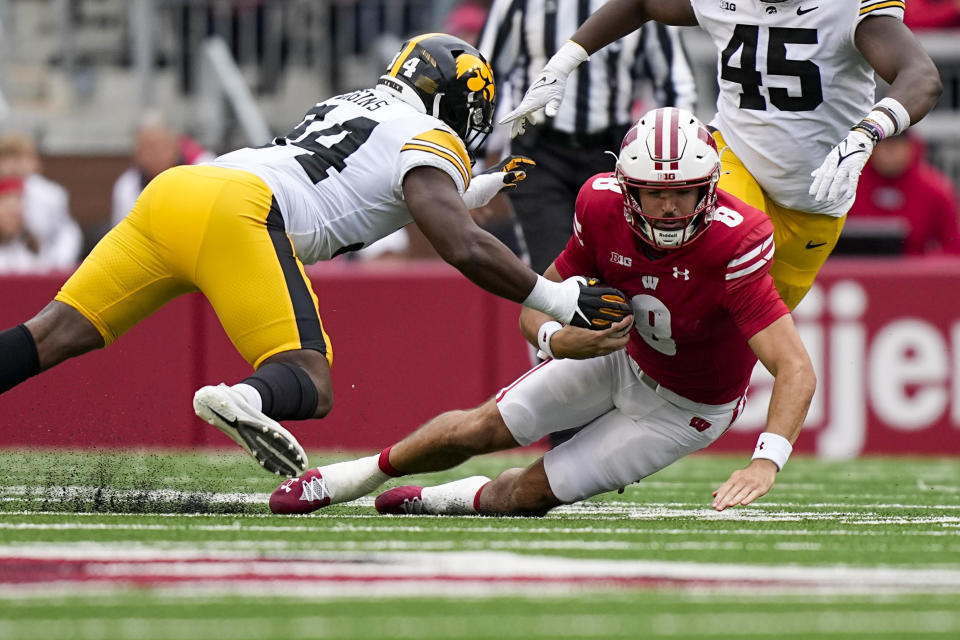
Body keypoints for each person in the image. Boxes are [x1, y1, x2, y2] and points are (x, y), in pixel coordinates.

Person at [0, 34, 630, 478]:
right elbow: (459, 241)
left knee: (51, 333)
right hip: (240, 210)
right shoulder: (431, 134)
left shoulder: (353, 102)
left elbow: (372, 177)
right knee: (308, 378)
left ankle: (246, 395)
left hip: (178, 190)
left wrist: (480, 184)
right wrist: (558, 298)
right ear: (454, 104)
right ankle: (243, 399)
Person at [268, 108, 816, 517]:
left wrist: (766, 459)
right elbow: (537, 301)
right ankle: (347, 479)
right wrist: (558, 340)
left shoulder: (735, 240)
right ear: (627, 191)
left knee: (522, 494)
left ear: (710, 191)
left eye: (686, 194)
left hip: (685, 408)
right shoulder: (600, 206)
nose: (670, 208)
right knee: (480, 427)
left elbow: (794, 368)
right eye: (654, 195)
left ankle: (437, 501)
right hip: (619, 357)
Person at [499, 0, 943, 310]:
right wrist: (563, 63)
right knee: (691, 266)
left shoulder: (850, 7)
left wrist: (869, 131)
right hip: (735, 159)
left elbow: (921, 75)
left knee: (736, 330)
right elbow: (640, 2)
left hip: (815, 203)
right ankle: (587, 319)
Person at [477, 0, 697, 277]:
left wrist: (674, 159)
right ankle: (552, 321)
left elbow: (676, 82)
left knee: (617, 271)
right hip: (539, 153)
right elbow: (482, 74)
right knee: (555, 271)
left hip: (611, 155)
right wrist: (472, 164)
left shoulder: (640, 5)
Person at [847, 133, 960, 255]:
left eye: (897, 144)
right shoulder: (846, 186)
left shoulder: (936, 190)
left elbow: (953, 245)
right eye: (885, 144)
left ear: (911, 147)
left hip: (916, 271)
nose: (890, 151)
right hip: (855, 270)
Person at [110, 111, 214, 227]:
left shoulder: (205, 167)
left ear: (175, 144)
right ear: (137, 155)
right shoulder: (128, 186)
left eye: (162, 145)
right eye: (148, 148)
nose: (157, 153)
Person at [0, 132, 82, 270]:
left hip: (42, 264)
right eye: (6, 158)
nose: (14, 165)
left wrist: (57, 263)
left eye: (20, 158)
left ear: (35, 163)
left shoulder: (51, 194)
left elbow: (66, 232)